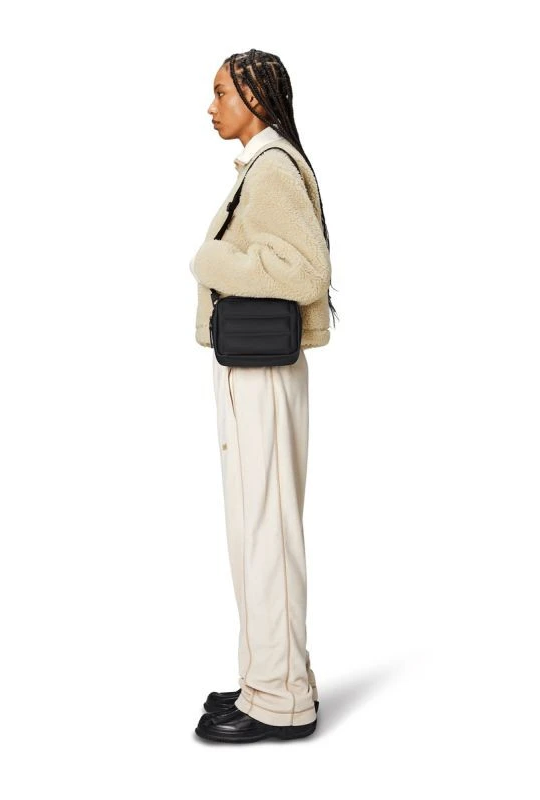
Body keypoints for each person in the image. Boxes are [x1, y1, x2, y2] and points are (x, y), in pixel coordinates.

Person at [189, 49, 339, 744]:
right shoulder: (262, 165)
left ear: (254, 96)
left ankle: (279, 701)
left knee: (266, 532)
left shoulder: (272, 168)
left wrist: (212, 260)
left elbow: (307, 272)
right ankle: (269, 680)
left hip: (263, 372)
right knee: (256, 528)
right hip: (251, 366)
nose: (211, 106)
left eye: (222, 92)